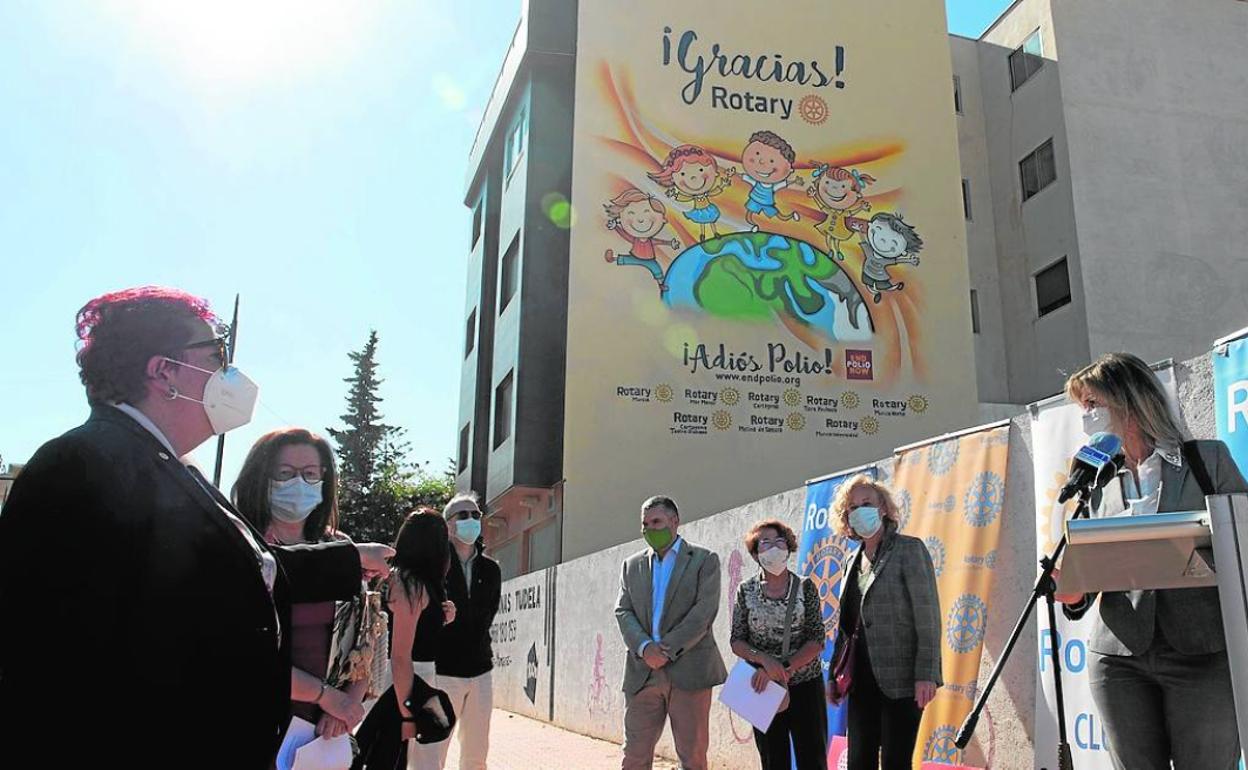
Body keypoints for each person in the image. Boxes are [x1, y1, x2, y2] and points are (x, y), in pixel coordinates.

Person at [0, 287, 394, 769]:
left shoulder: (161, 463)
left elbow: (217, 572)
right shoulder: (83, 465)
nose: (229, 372)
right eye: (216, 355)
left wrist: (349, 558)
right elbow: (56, 665)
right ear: (163, 371)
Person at [1055, 352, 1248, 770]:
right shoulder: (1098, 478)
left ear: (1129, 399)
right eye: (1082, 407)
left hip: (1202, 651)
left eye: (1092, 403)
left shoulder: (1207, 460)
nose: (1086, 416)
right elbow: (1090, 571)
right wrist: (1072, 594)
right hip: (1117, 657)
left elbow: (1244, 545)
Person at [234, 428, 387, 764]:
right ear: (262, 477)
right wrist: (326, 696)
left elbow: (364, 643)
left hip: (322, 735)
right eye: (285, 473)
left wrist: (345, 706)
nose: (298, 484)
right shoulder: (243, 548)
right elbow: (242, 654)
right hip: (256, 720)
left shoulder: (342, 549)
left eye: (310, 474)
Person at [828, 475, 941, 770]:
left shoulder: (909, 549)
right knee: (858, 762)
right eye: (853, 507)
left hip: (902, 680)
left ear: (883, 508)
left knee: (895, 762)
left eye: (866, 503)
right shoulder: (851, 561)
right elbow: (846, 626)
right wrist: (832, 676)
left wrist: (926, 674)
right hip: (860, 681)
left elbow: (928, 616)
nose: (859, 511)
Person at [614, 495, 727, 770]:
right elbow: (623, 611)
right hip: (643, 673)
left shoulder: (704, 560)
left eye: (656, 522)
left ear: (674, 521)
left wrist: (665, 650)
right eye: (645, 524)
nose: (649, 529)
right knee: (634, 756)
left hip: (690, 672)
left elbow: (703, 613)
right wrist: (645, 648)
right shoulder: (632, 566)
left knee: (692, 758)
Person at [353, 510, 454, 770]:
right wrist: (408, 713)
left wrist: (442, 616)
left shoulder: (403, 580)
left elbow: (416, 634)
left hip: (407, 681)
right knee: (401, 760)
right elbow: (400, 656)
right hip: (404, 683)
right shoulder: (411, 584)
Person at [730, 519, 828, 770]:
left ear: (789, 547)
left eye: (779, 541)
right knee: (773, 760)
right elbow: (737, 640)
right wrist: (764, 661)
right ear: (755, 553)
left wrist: (782, 667)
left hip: (805, 684)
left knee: (813, 759)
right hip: (762, 686)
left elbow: (817, 639)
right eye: (765, 543)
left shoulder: (805, 586)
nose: (773, 547)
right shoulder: (745, 590)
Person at [428, 493, 502, 770]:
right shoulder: (434, 567)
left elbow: (488, 616)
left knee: (476, 754)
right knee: (433, 752)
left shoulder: (491, 570)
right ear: (448, 525)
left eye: (475, 515)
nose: (471, 520)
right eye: (463, 515)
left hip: (481, 672)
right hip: (442, 673)